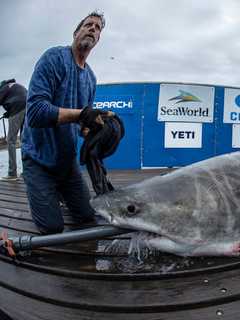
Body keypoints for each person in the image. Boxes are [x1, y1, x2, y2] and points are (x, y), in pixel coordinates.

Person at [21, 11, 109, 235]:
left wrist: (97, 131)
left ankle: (58, 192)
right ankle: (39, 189)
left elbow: (82, 126)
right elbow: (36, 112)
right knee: (52, 227)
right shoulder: (54, 58)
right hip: (38, 159)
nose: (92, 29)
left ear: (98, 40)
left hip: (67, 162)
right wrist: (82, 114)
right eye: (88, 25)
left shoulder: (91, 79)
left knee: (87, 216)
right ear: (76, 32)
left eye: (97, 28)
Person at [0, 79, 27, 181]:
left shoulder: (3, 88)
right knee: (24, 140)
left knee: (10, 140)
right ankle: (26, 172)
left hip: (17, 107)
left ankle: (12, 173)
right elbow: (13, 99)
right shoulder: (14, 85)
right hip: (28, 106)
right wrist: (8, 113)